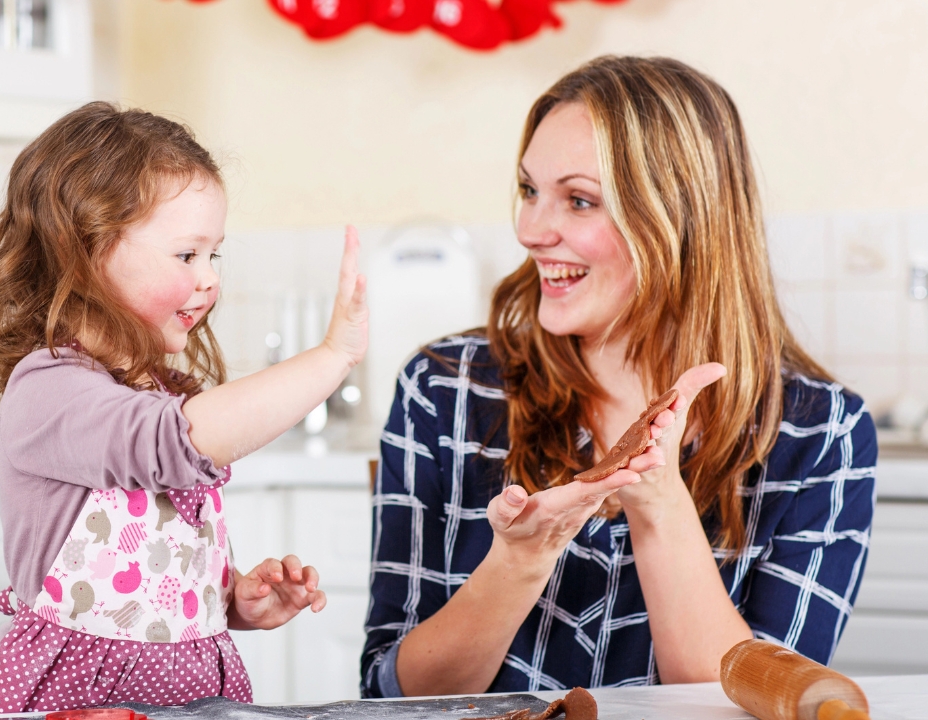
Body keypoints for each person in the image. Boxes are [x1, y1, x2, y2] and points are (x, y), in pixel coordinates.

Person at [362, 56, 875, 696]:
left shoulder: (820, 432)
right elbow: (390, 693)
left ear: (682, 220)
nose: (530, 229)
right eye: (528, 191)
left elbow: (764, 699)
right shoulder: (445, 387)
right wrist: (518, 563)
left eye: (578, 200)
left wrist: (657, 499)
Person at [0, 102, 368, 712]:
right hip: (80, 704)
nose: (209, 279)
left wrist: (234, 599)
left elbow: (160, 577)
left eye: (216, 255)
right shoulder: (48, 390)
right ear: (87, 250)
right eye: (187, 255)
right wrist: (332, 356)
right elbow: (175, 443)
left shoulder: (158, 393)